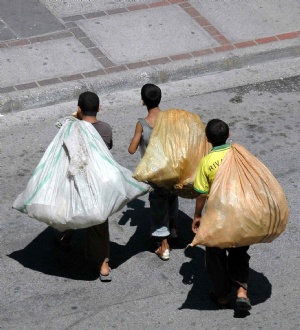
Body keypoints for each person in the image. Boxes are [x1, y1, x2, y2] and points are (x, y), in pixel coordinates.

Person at [192, 119, 251, 311]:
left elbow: (202, 193)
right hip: (241, 213)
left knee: (215, 255)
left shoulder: (206, 162)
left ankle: (223, 296)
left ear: (207, 140)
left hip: (218, 216)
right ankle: (241, 292)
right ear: (229, 135)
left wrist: (197, 215)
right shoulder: (238, 155)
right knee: (239, 251)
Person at [58, 91, 113, 282]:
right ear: (99, 108)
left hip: (77, 179)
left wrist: (75, 118)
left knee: (73, 207)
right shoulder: (105, 128)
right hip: (98, 182)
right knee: (99, 222)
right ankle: (103, 265)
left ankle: (66, 237)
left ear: (79, 109)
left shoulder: (72, 128)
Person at [128, 83, 179, 261]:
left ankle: (164, 246)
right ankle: (173, 229)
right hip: (172, 170)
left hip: (155, 175)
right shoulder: (170, 119)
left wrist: (139, 137)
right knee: (172, 198)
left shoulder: (142, 124)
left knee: (158, 207)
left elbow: (132, 149)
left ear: (143, 101)